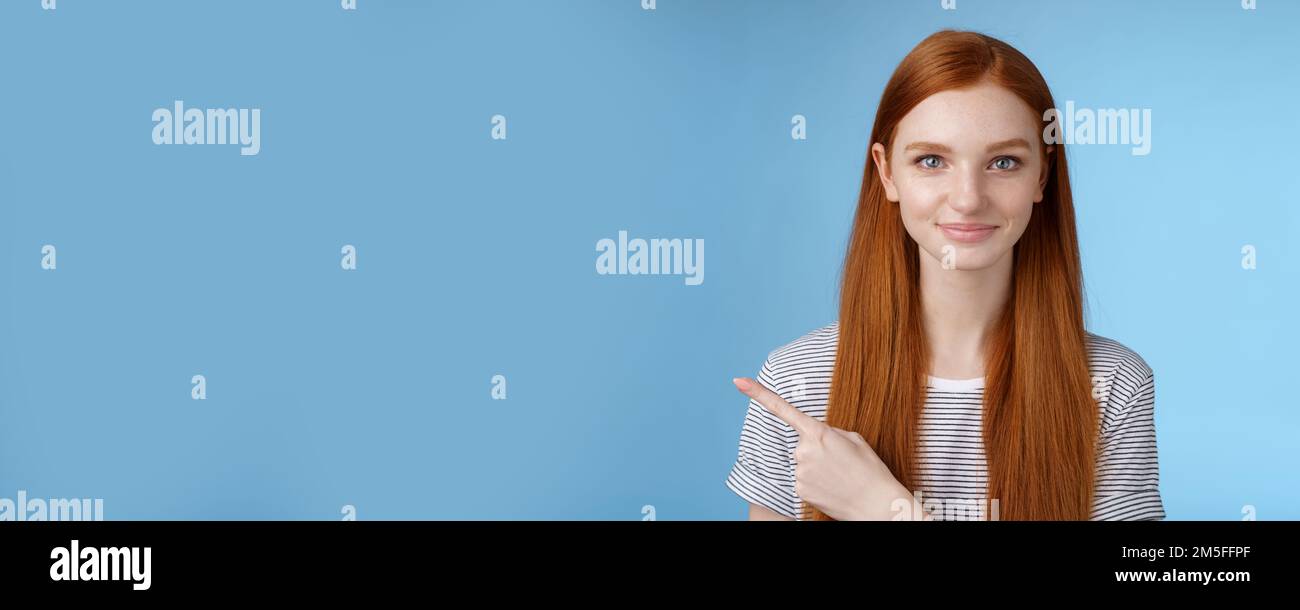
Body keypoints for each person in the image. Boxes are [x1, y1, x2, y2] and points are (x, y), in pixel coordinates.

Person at [725, 30, 1166, 522]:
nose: (967, 198)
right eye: (931, 160)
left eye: (1004, 162)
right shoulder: (798, 382)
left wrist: (886, 510)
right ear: (887, 173)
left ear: (1041, 176)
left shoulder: (1112, 384)